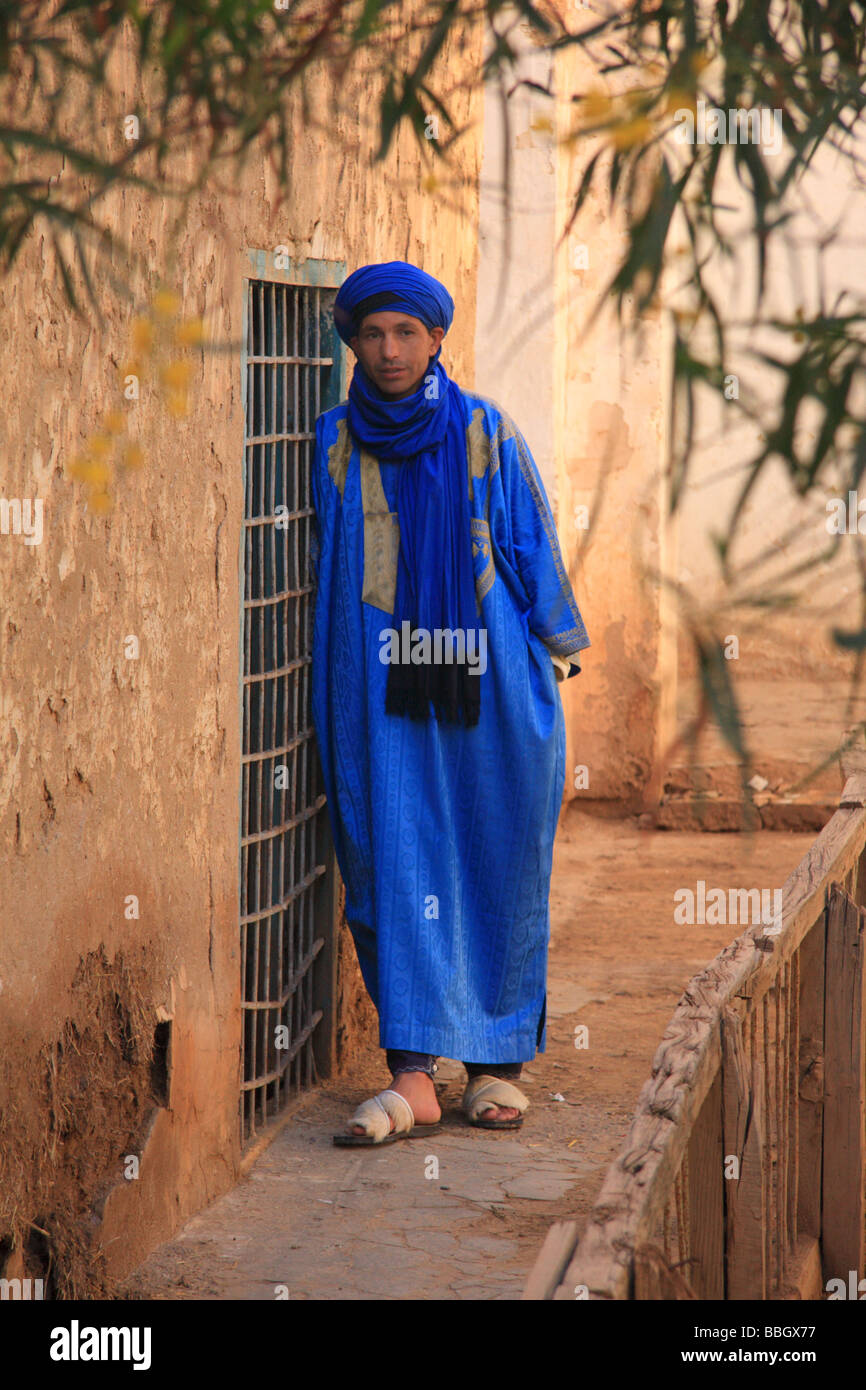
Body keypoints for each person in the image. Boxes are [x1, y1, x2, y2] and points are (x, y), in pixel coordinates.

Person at [309, 260, 590, 1145]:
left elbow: (530, 542)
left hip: (488, 685)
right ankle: (414, 1074)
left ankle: (497, 1066)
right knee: (389, 856)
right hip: (377, 688)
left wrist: (553, 654)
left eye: (406, 332)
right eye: (372, 333)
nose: (389, 350)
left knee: (494, 849)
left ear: (437, 340)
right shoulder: (331, 443)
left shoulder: (485, 432)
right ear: (352, 342)